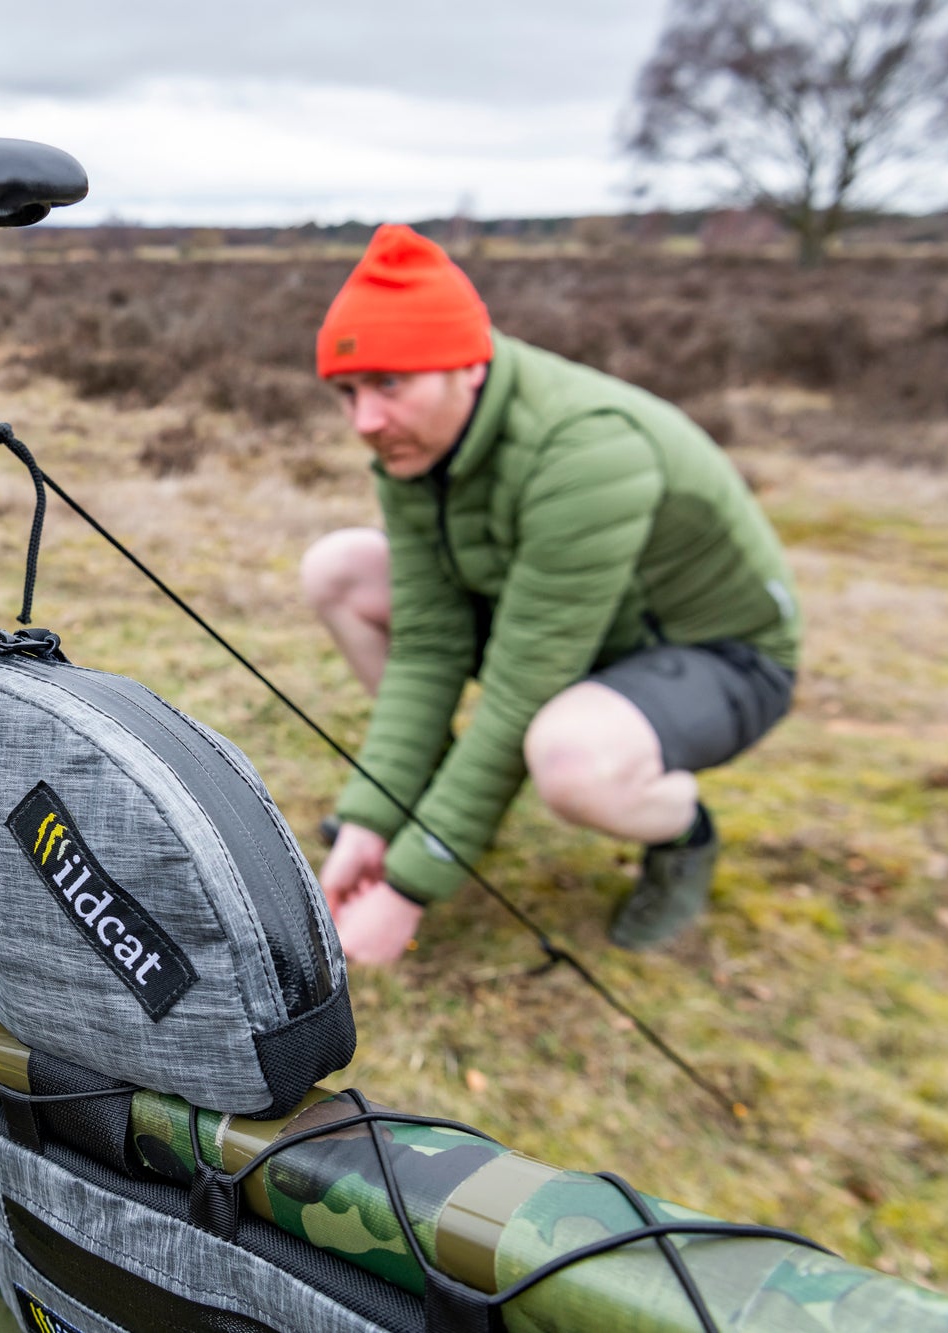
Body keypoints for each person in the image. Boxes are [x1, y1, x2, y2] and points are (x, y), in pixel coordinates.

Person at [303, 225, 800, 964]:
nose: (365, 422)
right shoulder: (415, 447)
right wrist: (375, 819)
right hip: (572, 632)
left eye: (389, 384)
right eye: (347, 393)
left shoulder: (587, 448)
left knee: (566, 756)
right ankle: (434, 796)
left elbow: (523, 684)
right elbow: (431, 646)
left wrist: (409, 886)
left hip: (718, 658)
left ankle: (681, 830)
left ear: (466, 368)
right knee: (338, 568)